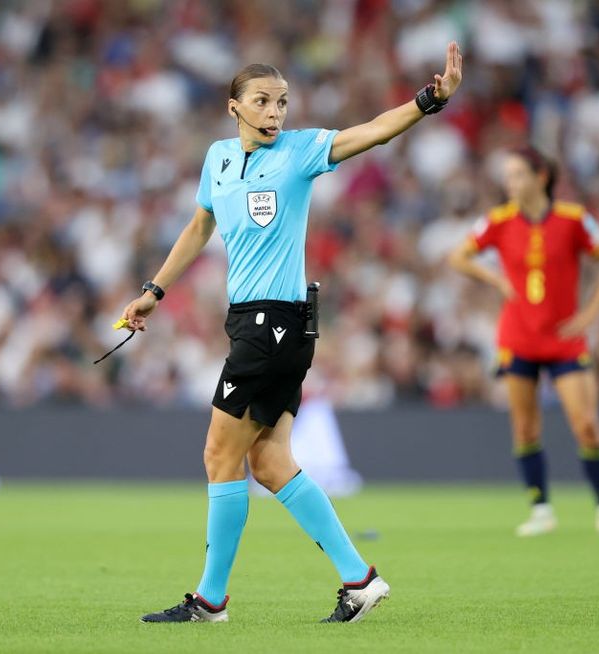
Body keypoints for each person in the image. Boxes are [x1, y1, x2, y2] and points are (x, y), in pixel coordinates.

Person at [122, 44, 463, 622]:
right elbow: (201, 224)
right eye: (262, 101)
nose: (276, 111)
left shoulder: (301, 151)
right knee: (271, 462)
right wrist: (154, 291)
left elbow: (374, 132)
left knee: (217, 453)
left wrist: (429, 100)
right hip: (257, 325)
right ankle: (360, 579)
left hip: (272, 323)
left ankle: (211, 600)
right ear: (235, 107)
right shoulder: (218, 160)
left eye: (282, 101)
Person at [449, 146, 599, 538]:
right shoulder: (499, 221)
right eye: (507, 175)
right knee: (525, 427)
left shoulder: (574, 219)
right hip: (518, 338)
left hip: (564, 340)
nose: (510, 183)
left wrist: (588, 316)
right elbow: (459, 257)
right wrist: (496, 280)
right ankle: (540, 508)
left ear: (541, 177)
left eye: (517, 174)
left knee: (586, 424)